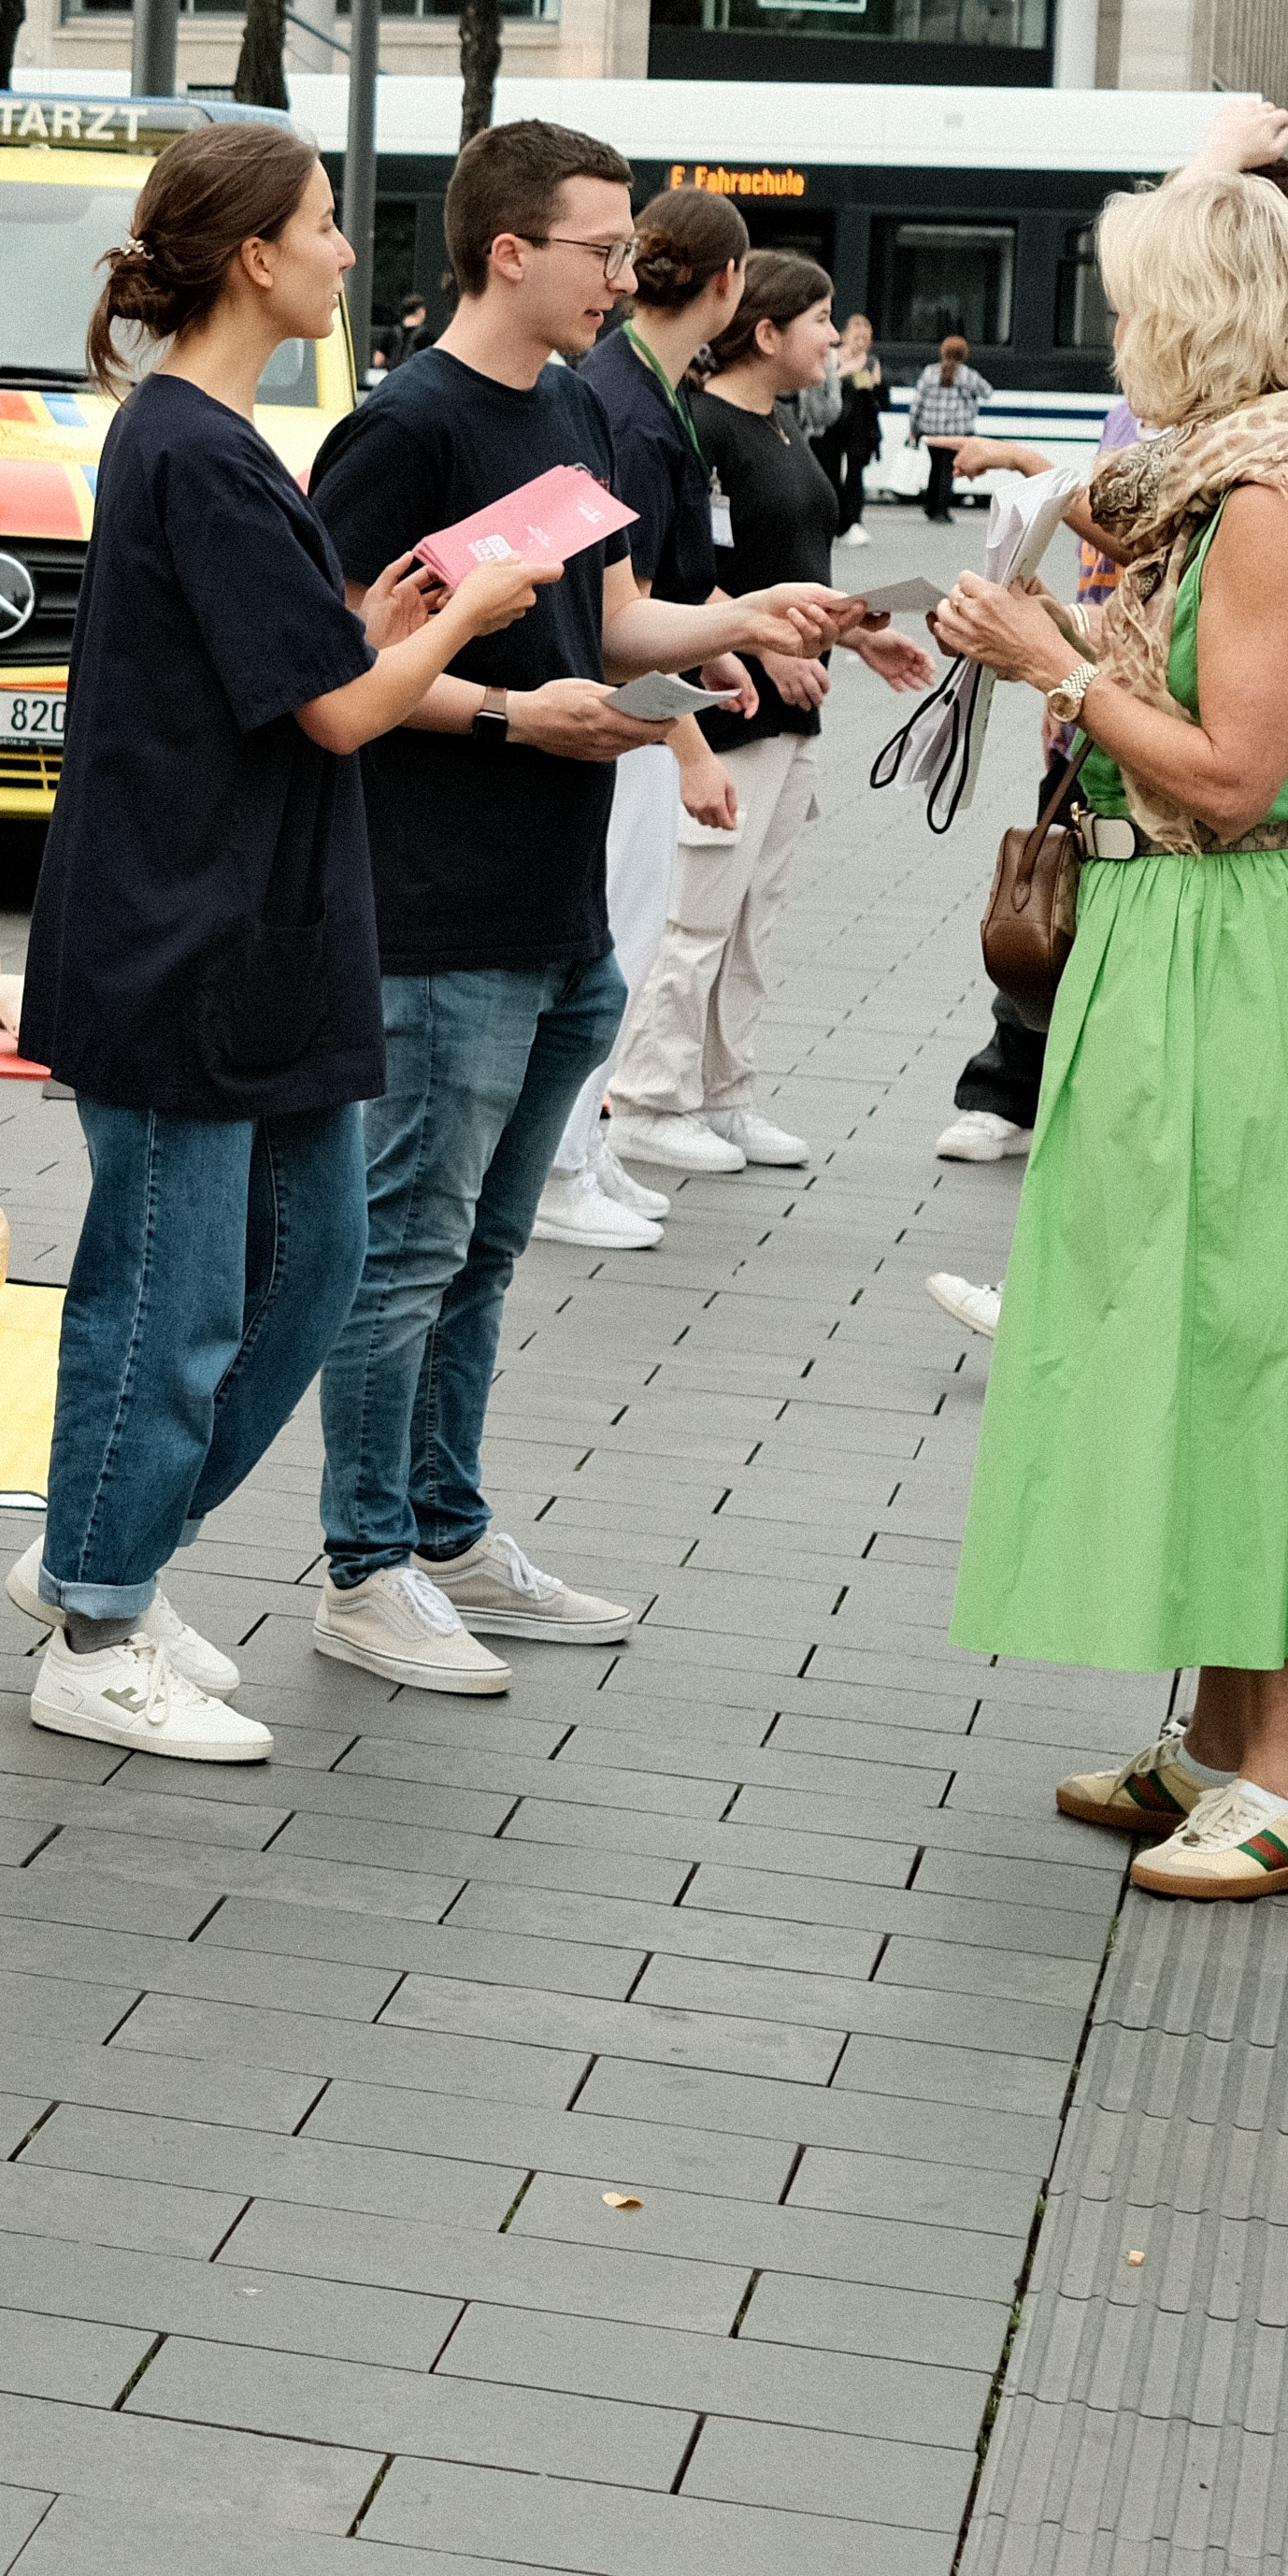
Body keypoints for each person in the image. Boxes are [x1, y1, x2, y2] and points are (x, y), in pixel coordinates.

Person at [11, 122, 561, 1763]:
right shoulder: (192, 445)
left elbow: (290, 672)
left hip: (258, 938)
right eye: (325, 226)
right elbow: (331, 717)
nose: (344, 252)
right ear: (255, 255)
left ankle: (108, 1558)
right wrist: (460, 619)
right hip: (188, 945)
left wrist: (381, 620)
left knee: (304, 1274)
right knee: (169, 1300)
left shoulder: (212, 441)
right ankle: (95, 1616)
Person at [303, 121, 848, 1696]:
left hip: (552, 916)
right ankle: (365, 1567)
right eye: (605, 246)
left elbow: (600, 623)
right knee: (406, 1258)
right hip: (434, 913)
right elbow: (332, 663)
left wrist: (741, 618)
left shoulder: (567, 411)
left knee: (477, 1257)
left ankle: (451, 1533)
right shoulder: (402, 428)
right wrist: (505, 719)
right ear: (509, 250)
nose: (633, 269)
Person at [932, 172, 1288, 1899]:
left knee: (1242, 1335)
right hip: (1166, 938)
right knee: (1194, 1323)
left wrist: (1055, 665)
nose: (1117, 338)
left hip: (1215, 934)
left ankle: (1286, 1775)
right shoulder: (1210, 494)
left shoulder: (1272, 500)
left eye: (1132, 305)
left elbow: (1239, 775)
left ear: (1193, 313)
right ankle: (1219, 1741)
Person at [612, 252, 929, 1173]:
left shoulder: (784, 424)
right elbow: (682, 573)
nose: (836, 336)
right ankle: (647, 1096)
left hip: (793, 709)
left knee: (756, 911)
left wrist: (859, 634)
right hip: (727, 704)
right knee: (701, 908)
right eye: (823, 320)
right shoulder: (701, 426)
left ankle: (723, 1090)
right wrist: (757, 648)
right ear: (766, 331)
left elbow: (788, 563)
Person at [544, 188, 753, 1245]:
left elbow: (651, 584)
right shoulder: (623, 403)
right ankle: (561, 1160)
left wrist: (719, 642)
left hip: (629, 706)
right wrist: (692, 741)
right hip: (616, 714)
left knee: (624, 936)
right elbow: (612, 607)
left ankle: (585, 1146)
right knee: (613, 940)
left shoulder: (641, 392)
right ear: (727, 283)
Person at [911, 331, 996, 519]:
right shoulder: (968, 375)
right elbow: (988, 392)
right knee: (947, 470)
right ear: (963, 354)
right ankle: (941, 510)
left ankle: (930, 506)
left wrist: (913, 428)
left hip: (931, 430)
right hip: (956, 432)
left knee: (934, 468)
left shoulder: (929, 372)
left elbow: (917, 402)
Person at [828, 313, 890, 533]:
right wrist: (846, 373)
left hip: (860, 428)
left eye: (865, 339)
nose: (861, 343)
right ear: (845, 336)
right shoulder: (831, 357)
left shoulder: (872, 362)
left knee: (855, 474)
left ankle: (853, 519)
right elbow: (825, 384)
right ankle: (833, 518)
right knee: (830, 473)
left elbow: (882, 400)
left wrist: (872, 383)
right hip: (832, 426)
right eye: (857, 337)